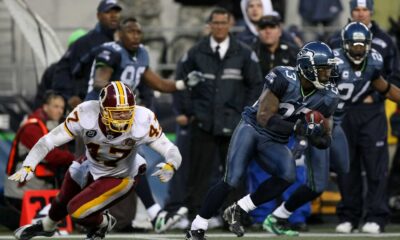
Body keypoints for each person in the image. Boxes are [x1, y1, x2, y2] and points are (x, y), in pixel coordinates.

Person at [185, 41, 340, 240]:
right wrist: (300, 128)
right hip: (252, 129)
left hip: (276, 139)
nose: (328, 74)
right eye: (323, 69)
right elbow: (263, 117)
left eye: (328, 69)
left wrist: (318, 136)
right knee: (232, 178)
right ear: (308, 68)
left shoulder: (328, 96)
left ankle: (238, 209)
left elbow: (326, 138)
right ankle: (197, 227)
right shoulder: (285, 78)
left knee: (287, 175)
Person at [263, 21, 400, 236]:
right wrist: (303, 127)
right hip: (323, 119)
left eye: (362, 45)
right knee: (329, 176)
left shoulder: (374, 62)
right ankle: (345, 215)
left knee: (355, 170)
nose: (358, 49)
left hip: (339, 120)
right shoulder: (331, 63)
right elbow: (312, 94)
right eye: (354, 45)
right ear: (344, 45)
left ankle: (280, 215)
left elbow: (383, 87)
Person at [9, 81, 182, 240]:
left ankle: (103, 223)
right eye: (116, 114)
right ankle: (46, 227)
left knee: (76, 211)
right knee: (63, 198)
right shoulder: (86, 114)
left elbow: (170, 149)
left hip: (120, 175)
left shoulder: (143, 119)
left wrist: (172, 164)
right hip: (90, 163)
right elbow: (48, 141)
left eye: (126, 113)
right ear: (103, 109)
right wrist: (29, 165)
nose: (122, 119)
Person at [168, 8, 262, 223]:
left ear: (230, 24)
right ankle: (197, 216)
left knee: (234, 173)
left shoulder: (244, 53)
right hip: (203, 123)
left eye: (223, 22)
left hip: (235, 123)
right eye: (215, 23)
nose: (219, 26)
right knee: (199, 174)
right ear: (209, 25)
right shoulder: (195, 52)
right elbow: (180, 82)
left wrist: (246, 113)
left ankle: (234, 216)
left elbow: (256, 86)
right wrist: (189, 111)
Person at [328, 0, 400, 233]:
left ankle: (377, 216)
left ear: (371, 12)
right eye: (356, 10)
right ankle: (348, 215)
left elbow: (395, 77)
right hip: (343, 112)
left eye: (364, 10)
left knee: (376, 166)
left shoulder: (385, 42)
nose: (360, 14)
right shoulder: (335, 41)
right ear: (351, 12)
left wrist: (377, 97)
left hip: (371, 112)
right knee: (346, 166)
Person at [249, 13, 310, 231]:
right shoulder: (249, 53)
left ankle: (294, 215)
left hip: (289, 120)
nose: (268, 30)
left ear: (279, 28)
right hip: (262, 121)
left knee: (295, 168)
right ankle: (260, 215)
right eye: (263, 26)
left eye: (272, 26)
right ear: (258, 29)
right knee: (260, 170)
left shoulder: (294, 53)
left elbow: (307, 86)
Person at [2, 91, 74, 231]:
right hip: (22, 189)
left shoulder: (53, 126)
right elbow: (49, 155)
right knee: (23, 224)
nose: (59, 110)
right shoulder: (31, 127)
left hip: (40, 186)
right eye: (55, 106)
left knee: (44, 224)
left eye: (61, 107)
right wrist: (73, 157)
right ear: (45, 107)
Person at [85, 17, 202, 101]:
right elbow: (99, 82)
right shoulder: (111, 50)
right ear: (120, 34)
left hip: (121, 110)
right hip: (98, 104)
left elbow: (159, 84)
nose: (135, 36)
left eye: (138, 32)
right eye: (130, 32)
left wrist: (184, 83)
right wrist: (122, 91)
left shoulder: (142, 52)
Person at [52, 0, 122, 109]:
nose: (113, 16)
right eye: (108, 12)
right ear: (98, 16)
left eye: (116, 12)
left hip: (118, 105)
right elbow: (63, 69)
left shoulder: (124, 41)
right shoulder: (87, 42)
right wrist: (69, 96)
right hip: (90, 104)